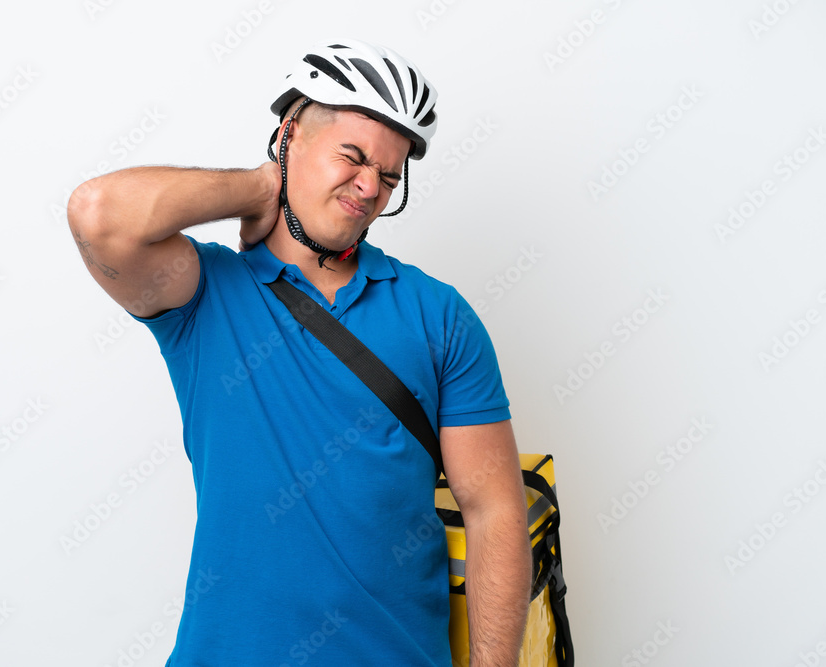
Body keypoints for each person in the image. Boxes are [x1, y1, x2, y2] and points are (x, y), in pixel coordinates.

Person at [67, 38, 530, 667]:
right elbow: (99, 215)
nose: (369, 187)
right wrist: (263, 186)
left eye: (389, 176)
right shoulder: (205, 294)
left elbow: (494, 509)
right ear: (291, 134)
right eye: (353, 156)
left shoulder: (438, 314)